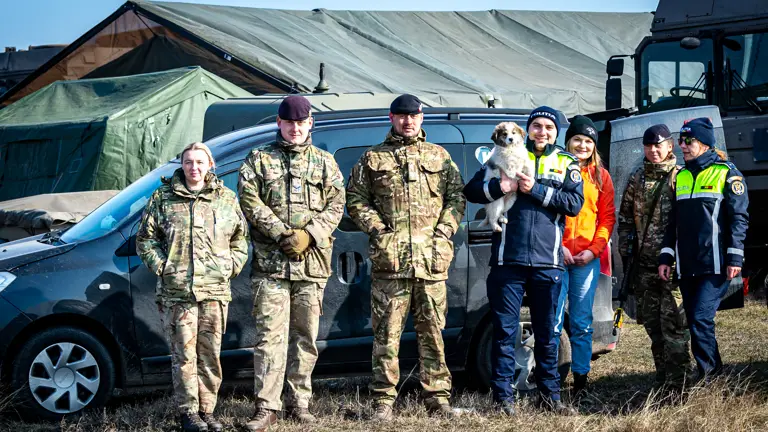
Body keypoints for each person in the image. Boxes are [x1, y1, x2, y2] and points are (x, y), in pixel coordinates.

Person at [346, 94, 465, 421]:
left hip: (431, 263)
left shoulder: (440, 157)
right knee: (386, 336)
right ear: (392, 117)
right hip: (391, 264)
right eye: (401, 116)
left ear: (422, 117)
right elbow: (356, 200)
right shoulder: (372, 159)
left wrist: (443, 232)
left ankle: (437, 397)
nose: (407, 121)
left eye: (413, 116)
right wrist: (378, 231)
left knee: (433, 334)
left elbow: (457, 198)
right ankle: (383, 400)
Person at [463, 106, 584, 415]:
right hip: (508, 260)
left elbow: (573, 204)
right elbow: (472, 190)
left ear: (556, 132)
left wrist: (536, 189)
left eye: (548, 127)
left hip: (548, 262)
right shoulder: (503, 154)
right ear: (526, 130)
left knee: (547, 335)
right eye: (536, 126)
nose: (542, 132)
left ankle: (551, 398)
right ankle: (503, 400)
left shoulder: (566, 162)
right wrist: (499, 187)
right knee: (504, 333)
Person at [238, 96, 345, 431]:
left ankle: (299, 402)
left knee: (305, 337)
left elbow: (336, 204)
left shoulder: (326, 163)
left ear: (310, 123)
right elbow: (248, 198)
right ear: (279, 123)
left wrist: (310, 235)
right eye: (289, 123)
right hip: (271, 266)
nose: (295, 129)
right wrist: (282, 233)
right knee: (269, 338)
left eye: (301, 123)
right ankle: (266, 407)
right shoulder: (258, 159)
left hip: (311, 266)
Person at [137, 142, 249, 432]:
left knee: (210, 354)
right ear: (182, 165)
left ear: (210, 165)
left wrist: (229, 267)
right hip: (178, 294)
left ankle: (208, 411)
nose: (194, 167)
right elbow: (145, 241)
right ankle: (188, 413)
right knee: (184, 356)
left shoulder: (225, 199)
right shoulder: (163, 198)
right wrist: (164, 267)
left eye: (200, 162)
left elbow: (240, 240)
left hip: (214, 291)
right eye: (188, 162)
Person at [658, 118, 749, 382]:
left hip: (716, 263)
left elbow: (739, 219)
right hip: (687, 265)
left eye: (690, 141)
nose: (683, 146)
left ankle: (710, 377)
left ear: (706, 143)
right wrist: (666, 256)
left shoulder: (727, 173)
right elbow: (673, 222)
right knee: (697, 322)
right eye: (682, 141)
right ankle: (712, 372)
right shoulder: (682, 175)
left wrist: (735, 256)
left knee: (700, 319)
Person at [617, 124, 692, 387]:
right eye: (648, 146)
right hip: (644, 267)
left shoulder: (681, 176)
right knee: (654, 329)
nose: (653, 150)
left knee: (674, 328)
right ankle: (662, 380)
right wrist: (626, 251)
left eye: (658, 145)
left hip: (673, 268)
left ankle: (680, 385)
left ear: (670, 146)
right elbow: (625, 217)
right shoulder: (637, 177)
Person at [553, 116, 616, 396]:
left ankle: (580, 379)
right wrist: (559, 247)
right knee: (552, 320)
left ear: (594, 146)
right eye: (577, 139)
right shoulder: (555, 167)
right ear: (568, 141)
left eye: (588, 141)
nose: (582, 145)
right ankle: (549, 378)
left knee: (580, 322)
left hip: (586, 261)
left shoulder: (601, 177)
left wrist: (593, 251)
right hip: (556, 255)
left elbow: (607, 218)